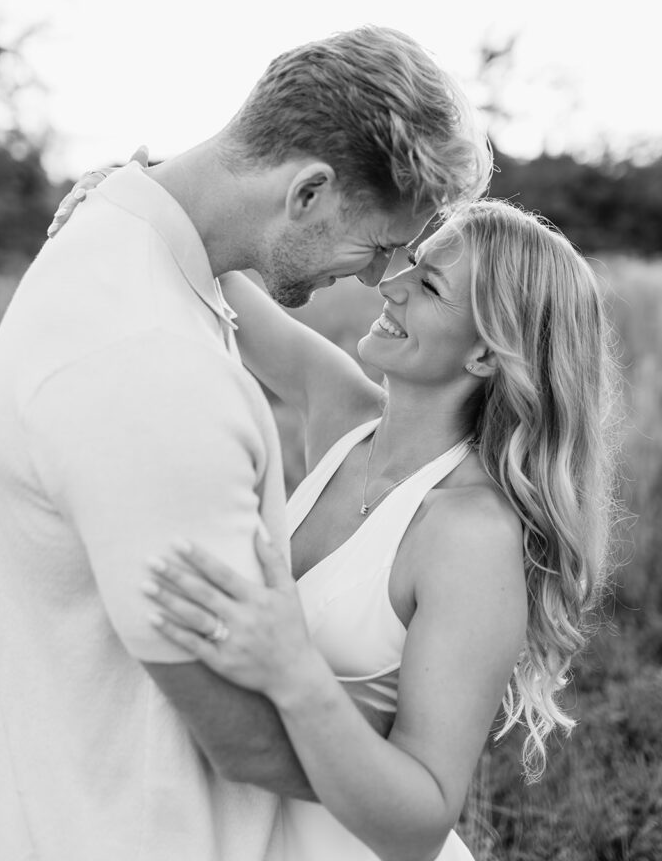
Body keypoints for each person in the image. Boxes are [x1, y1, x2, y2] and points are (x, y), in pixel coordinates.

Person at [0, 26, 491, 861]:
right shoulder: (149, 368)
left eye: (416, 270)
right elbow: (240, 736)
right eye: (386, 247)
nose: (379, 280)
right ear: (309, 192)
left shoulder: (141, 274)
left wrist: (135, 193)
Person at [139, 199, 619, 861]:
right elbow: (215, 272)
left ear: (484, 352)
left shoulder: (468, 535)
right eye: (412, 261)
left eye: (427, 286)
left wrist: (291, 672)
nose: (389, 284)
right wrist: (139, 192)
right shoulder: (345, 415)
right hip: (230, 831)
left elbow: (421, 820)